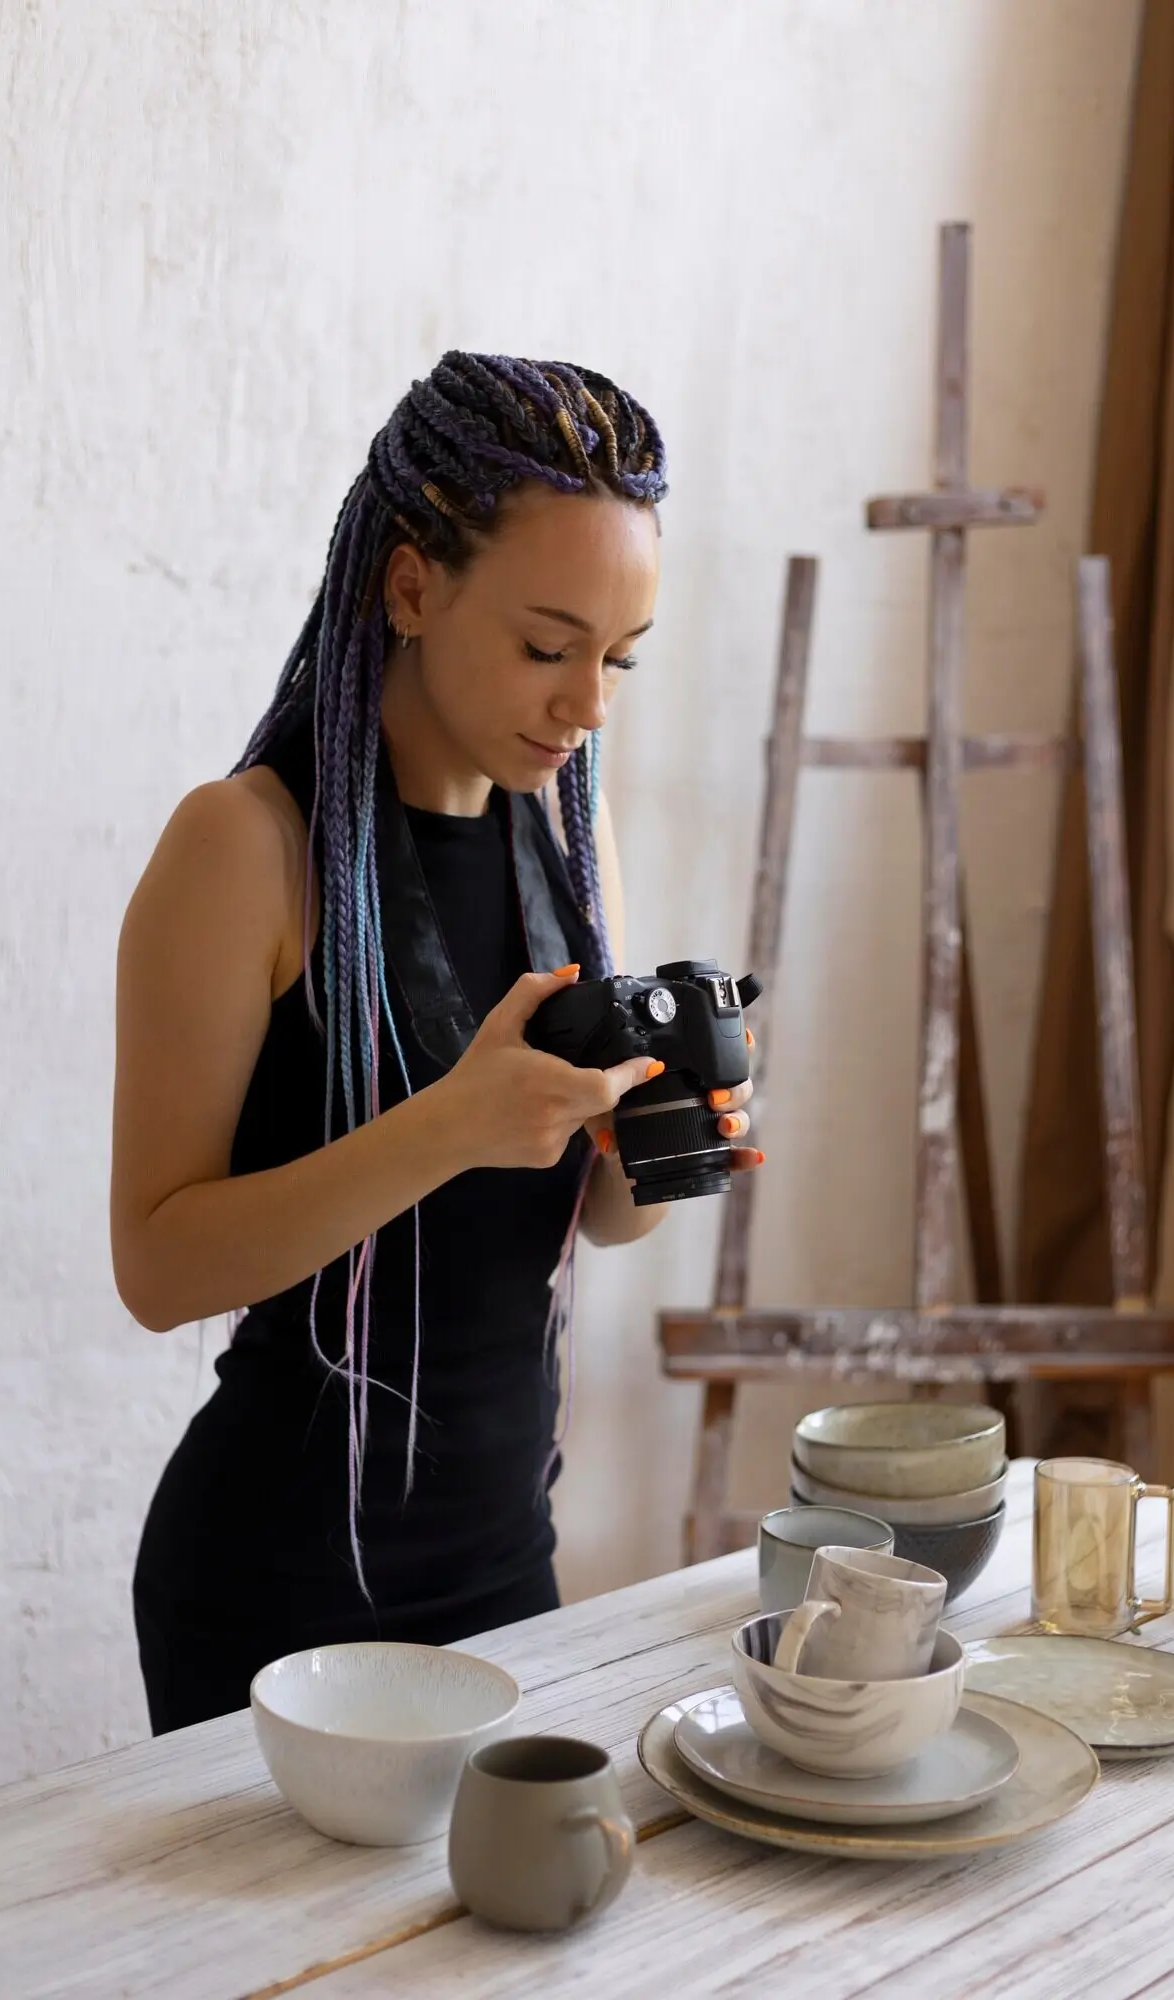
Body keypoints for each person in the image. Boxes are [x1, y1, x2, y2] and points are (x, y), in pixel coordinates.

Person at [111, 352, 763, 1733]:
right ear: (410, 587)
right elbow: (156, 1268)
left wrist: (666, 1136)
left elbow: (599, 1221)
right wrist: (451, 1127)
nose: (590, 705)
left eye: (619, 657)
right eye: (548, 647)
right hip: (271, 1598)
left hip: (506, 1567)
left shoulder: (572, 840)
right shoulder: (245, 847)